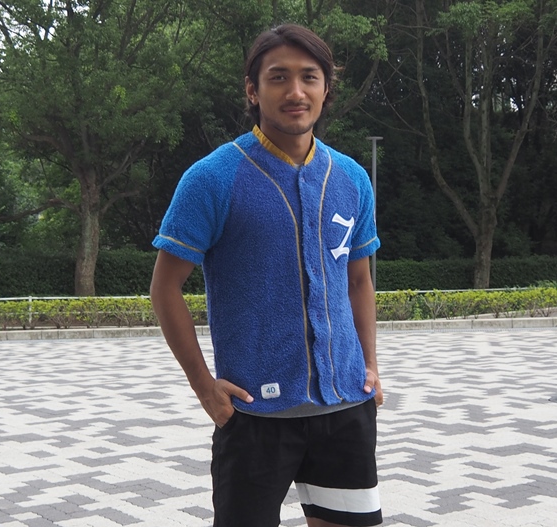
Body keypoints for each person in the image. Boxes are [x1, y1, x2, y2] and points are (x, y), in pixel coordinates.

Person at [150, 23, 383, 527]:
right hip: (254, 414)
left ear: (326, 88)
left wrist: (370, 365)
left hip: (345, 410)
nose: (295, 91)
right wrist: (204, 386)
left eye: (309, 77)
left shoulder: (351, 178)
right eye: (278, 77)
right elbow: (165, 287)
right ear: (253, 91)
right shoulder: (213, 178)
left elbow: (358, 280)